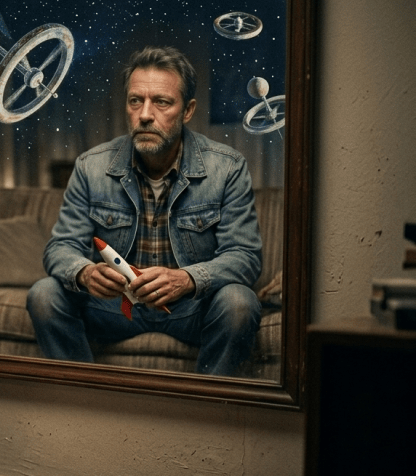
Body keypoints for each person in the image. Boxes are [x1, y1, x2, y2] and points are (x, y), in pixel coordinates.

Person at [26, 46, 262, 376]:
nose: (145, 114)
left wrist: (187, 279)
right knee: (44, 293)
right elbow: (60, 248)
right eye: (136, 101)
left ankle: (207, 417)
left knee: (239, 302)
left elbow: (245, 255)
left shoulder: (227, 167)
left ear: (188, 110)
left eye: (162, 102)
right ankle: (80, 404)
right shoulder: (91, 166)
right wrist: (85, 272)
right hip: (115, 309)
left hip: (190, 310)